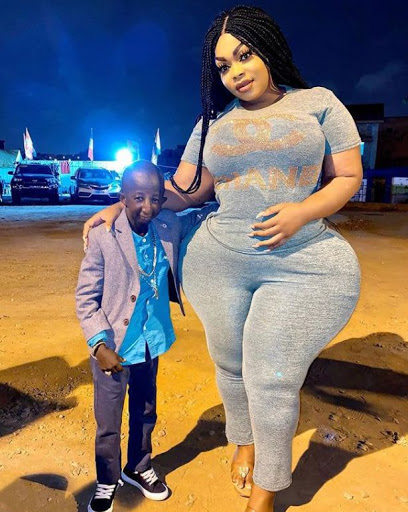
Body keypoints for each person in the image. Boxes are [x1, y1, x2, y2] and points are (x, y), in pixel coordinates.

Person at [83, 6, 363, 512]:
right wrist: (120, 206)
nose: (235, 72)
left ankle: (266, 492)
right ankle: (244, 441)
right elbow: (185, 190)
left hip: (300, 260)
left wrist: (302, 212)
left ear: (268, 48)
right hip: (220, 262)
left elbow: (347, 176)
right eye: (223, 66)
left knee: (269, 373)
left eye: (244, 55)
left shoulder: (319, 104)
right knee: (231, 363)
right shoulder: (213, 123)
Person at [76, 160, 216, 512]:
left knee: (145, 410)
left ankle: (137, 466)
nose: (147, 207)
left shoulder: (167, 225)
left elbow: (203, 214)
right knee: (108, 421)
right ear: (122, 197)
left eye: (155, 198)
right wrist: (98, 344)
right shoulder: (104, 236)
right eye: (138, 198)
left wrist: (232, 200)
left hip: (152, 340)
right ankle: (107, 479)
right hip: (114, 347)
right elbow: (86, 298)